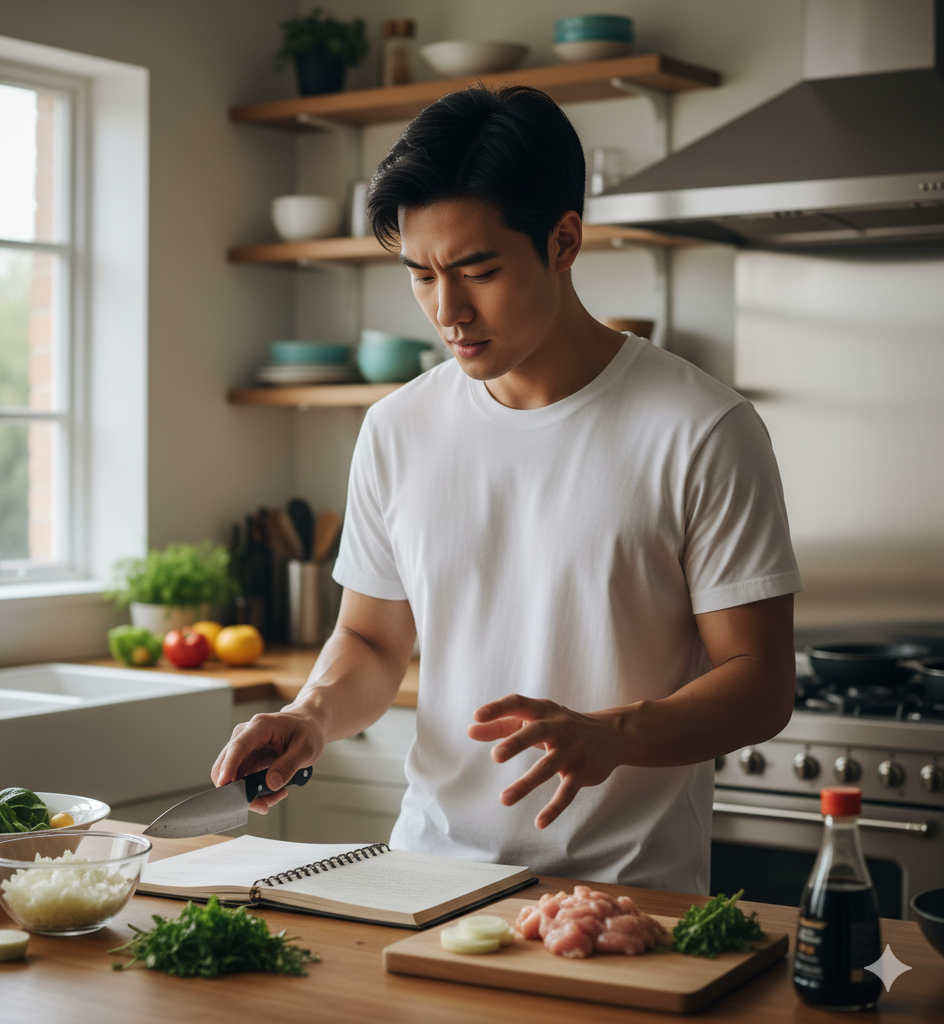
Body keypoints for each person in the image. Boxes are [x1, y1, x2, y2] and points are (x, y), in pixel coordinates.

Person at [212, 85, 803, 893]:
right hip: (426, 881)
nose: (447, 310)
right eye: (420, 275)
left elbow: (761, 681)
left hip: (630, 897)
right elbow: (374, 642)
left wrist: (615, 734)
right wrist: (310, 715)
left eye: (478, 270)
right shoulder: (398, 428)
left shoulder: (701, 427)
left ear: (564, 242)